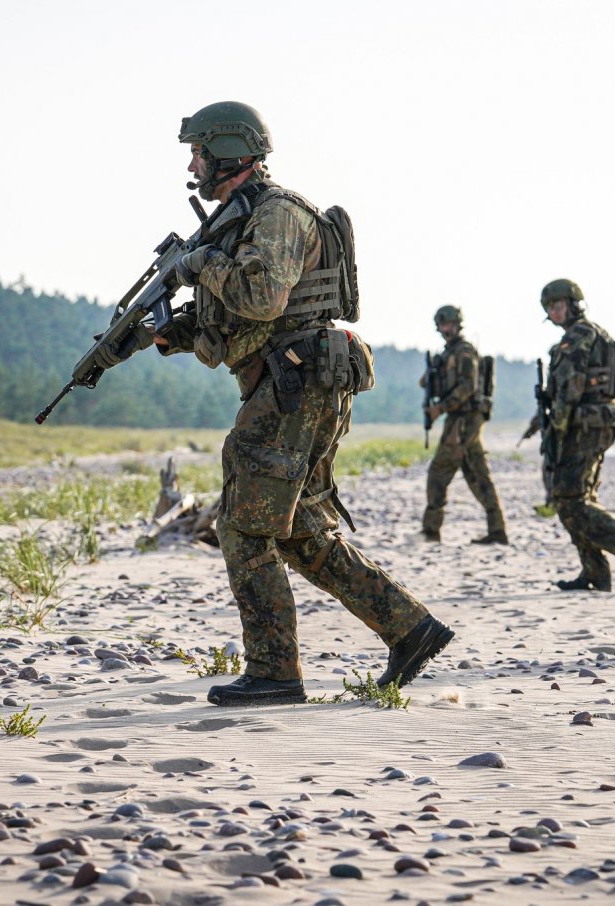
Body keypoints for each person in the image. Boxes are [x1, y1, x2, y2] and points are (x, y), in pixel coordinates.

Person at [152, 101, 453, 706]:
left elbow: (261, 298)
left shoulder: (278, 214)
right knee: (296, 530)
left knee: (241, 523)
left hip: (300, 384)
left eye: (199, 153)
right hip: (292, 383)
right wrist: (171, 333)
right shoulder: (242, 221)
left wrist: (196, 263)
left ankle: (274, 674)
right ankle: (410, 628)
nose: (192, 164)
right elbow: (240, 321)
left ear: (228, 153)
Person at [538, 279, 615, 592]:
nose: (554, 311)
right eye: (550, 307)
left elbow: (572, 386)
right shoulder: (584, 334)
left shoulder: (579, 334)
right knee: (578, 499)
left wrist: (557, 428)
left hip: (584, 426)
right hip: (592, 423)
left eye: (558, 304)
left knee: (569, 499)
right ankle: (595, 572)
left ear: (573, 303)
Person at [419, 305, 508, 544]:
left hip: (465, 418)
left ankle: (431, 529)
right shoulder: (447, 354)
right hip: (460, 418)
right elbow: (431, 383)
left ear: (458, 324)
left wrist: (440, 408)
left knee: (439, 470)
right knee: (477, 472)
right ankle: (497, 530)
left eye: (448, 324)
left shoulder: (464, 352)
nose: (444, 329)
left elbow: (468, 388)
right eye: (441, 324)